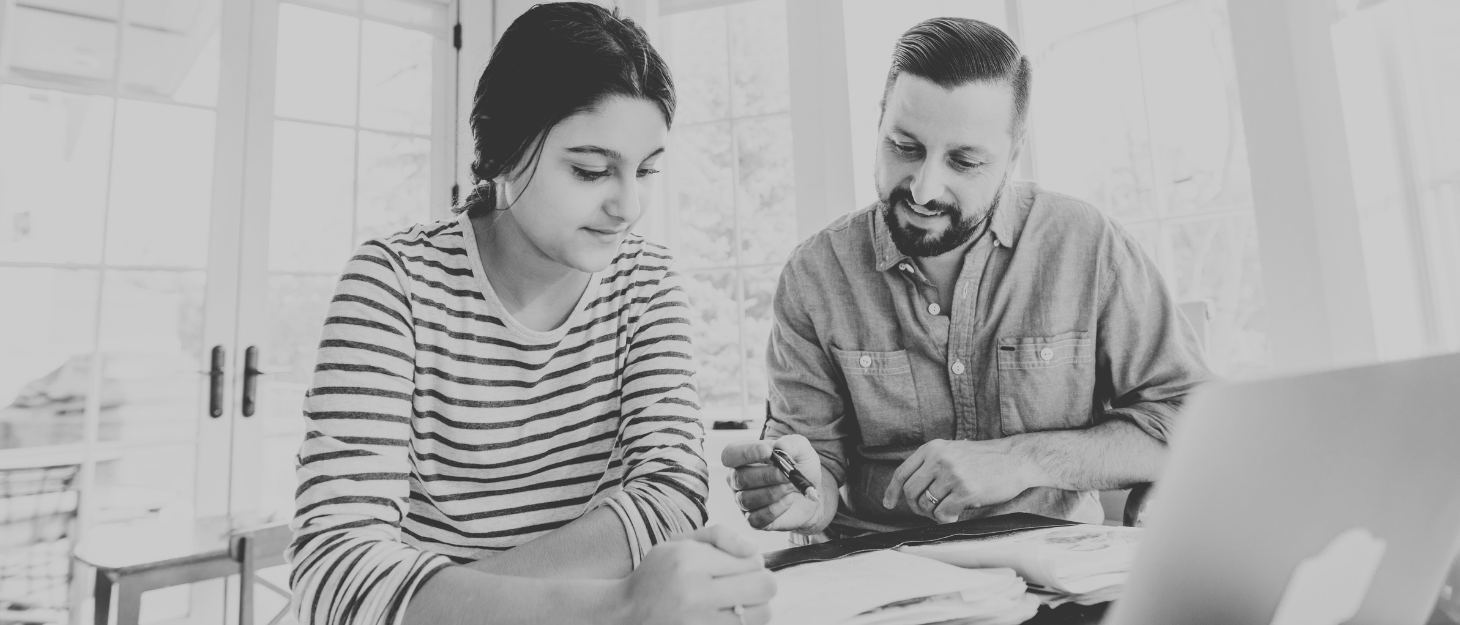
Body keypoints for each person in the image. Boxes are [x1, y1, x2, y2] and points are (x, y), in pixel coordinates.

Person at [287, 4, 774, 624]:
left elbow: (671, 494)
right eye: (591, 169)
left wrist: (436, 603)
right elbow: (334, 567)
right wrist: (614, 605)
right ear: (505, 150)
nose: (628, 205)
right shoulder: (393, 283)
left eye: (646, 170)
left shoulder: (646, 282)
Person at [723, 17, 1212, 541]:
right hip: (876, 580)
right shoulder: (814, 275)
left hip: (1054, 580)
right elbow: (812, 473)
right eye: (904, 147)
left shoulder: (1087, 245)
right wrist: (794, 492)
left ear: (1011, 158)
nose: (925, 188)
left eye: (965, 161)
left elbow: (1196, 424)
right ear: (880, 124)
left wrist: (1021, 461)